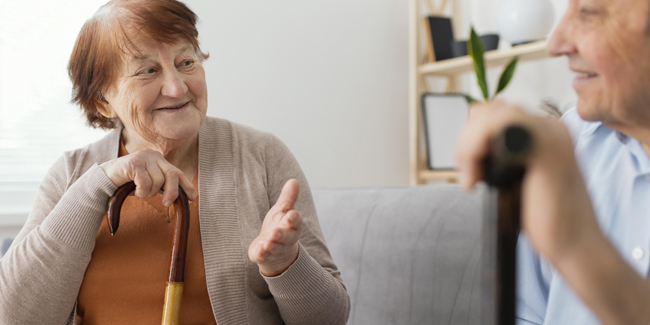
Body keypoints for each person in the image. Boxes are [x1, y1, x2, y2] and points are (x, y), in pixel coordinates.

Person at [0, 0, 350, 324]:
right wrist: (100, 182)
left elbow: (330, 318)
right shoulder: (72, 173)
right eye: (147, 71)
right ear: (103, 101)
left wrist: (283, 263)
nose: (177, 87)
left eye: (186, 62)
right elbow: (15, 316)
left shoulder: (260, 155)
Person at [457, 0, 650, 324]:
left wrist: (578, 249)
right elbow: (525, 314)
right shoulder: (568, 144)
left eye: (588, 12)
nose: (555, 43)